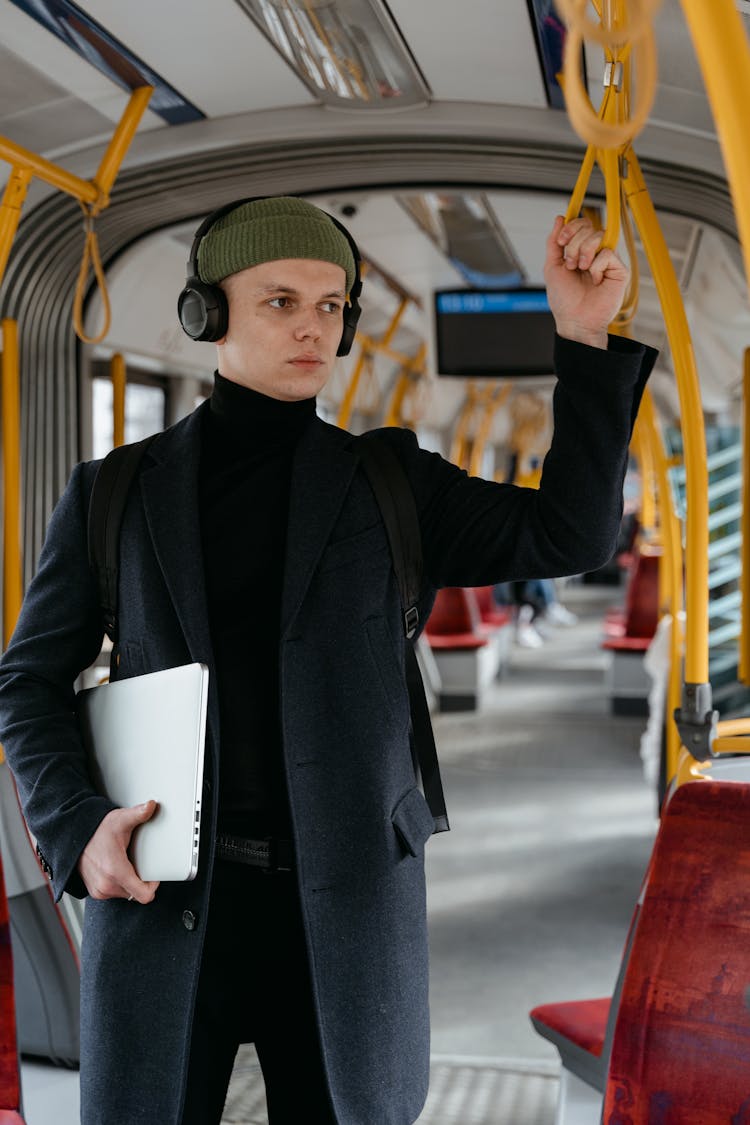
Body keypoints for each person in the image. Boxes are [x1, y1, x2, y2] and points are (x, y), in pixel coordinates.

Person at [0, 196, 655, 1125]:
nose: (314, 325)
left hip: (345, 901)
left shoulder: (392, 483)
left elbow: (570, 532)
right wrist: (77, 826)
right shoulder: (116, 494)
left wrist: (583, 338)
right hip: (167, 893)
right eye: (280, 301)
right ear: (207, 314)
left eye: (332, 306)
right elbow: (26, 681)